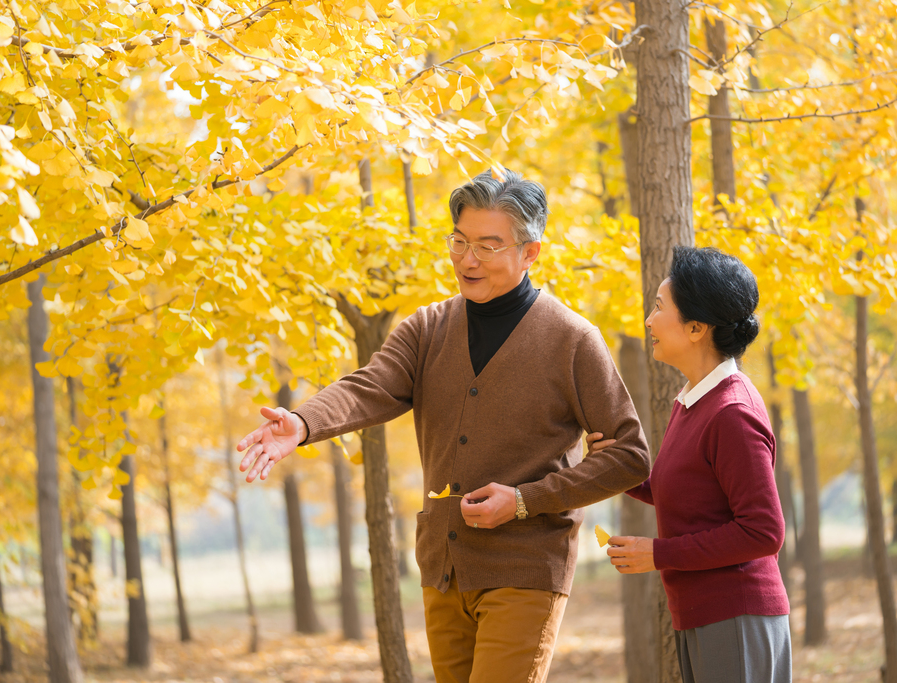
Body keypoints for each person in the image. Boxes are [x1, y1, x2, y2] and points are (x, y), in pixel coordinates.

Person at [236, 169, 651, 683]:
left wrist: (524, 500)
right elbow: (370, 384)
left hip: (526, 568)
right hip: (443, 566)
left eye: (487, 245)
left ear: (530, 252)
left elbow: (630, 456)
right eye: (459, 241)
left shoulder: (572, 340)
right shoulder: (426, 328)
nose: (467, 259)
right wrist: (301, 423)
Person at [593, 246, 791, 683]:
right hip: (703, 615)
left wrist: (658, 554)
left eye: (659, 308)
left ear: (697, 328)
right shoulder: (693, 401)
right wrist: (611, 461)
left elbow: (764, 530)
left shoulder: (731, 412)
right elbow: (679, 489)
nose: (649, 320)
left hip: (736, 615)